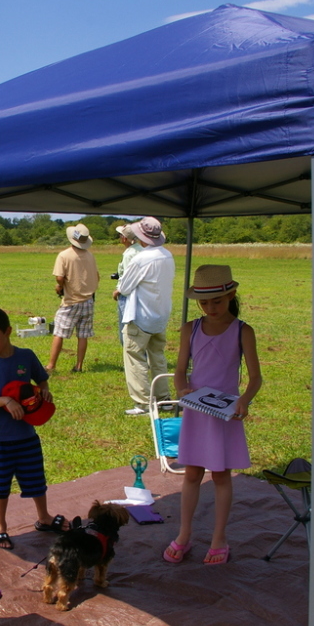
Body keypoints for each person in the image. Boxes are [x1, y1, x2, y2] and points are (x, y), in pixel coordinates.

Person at [164, 264, 262, 566]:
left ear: (231, 295)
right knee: (191, 473)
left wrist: (244, 400)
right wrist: (182, 390)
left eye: (217, 302)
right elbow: (180, 371)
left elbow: (256, 377)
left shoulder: (243, 331)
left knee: (221, 475)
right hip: (196, 411)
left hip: (225, 414)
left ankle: (219, 537)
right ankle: (184, 533)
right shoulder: (189, 329)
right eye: (203, 303)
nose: (210, 308)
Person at [0, 305, 69, 550]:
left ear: (8, 331)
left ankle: (44, 517)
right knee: (0, 484)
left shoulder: (25, 357)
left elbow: (43, 380)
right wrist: (5, 400)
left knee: (35, 478)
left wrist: (45, 393)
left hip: (26, 434)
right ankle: (1, 526)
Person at [113, 217, 175, 415]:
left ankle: (143, 403)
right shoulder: (167, 255)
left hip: (141, 316)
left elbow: (124, 286)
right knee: (158, 356)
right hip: (161, 314)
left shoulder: (141, 259)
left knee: (134, 357)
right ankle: (163, 398)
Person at [46, 224, 99, 373]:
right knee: (82, 335)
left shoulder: (64, 255)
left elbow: (59, 277)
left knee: (59, 332)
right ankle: (79, 366)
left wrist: (60, 287)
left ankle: (51, 365)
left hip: (71, 302)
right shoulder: (90, 255)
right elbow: (97, 276)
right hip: (88, 300)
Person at [112, 223, 143, 345]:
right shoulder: (141, 250)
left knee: (125, 330)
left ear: (125, 238)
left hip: (127, 295)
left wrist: (118, 291)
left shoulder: (129, 254)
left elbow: (128, 277)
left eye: (120, 235)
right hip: (140, 293)